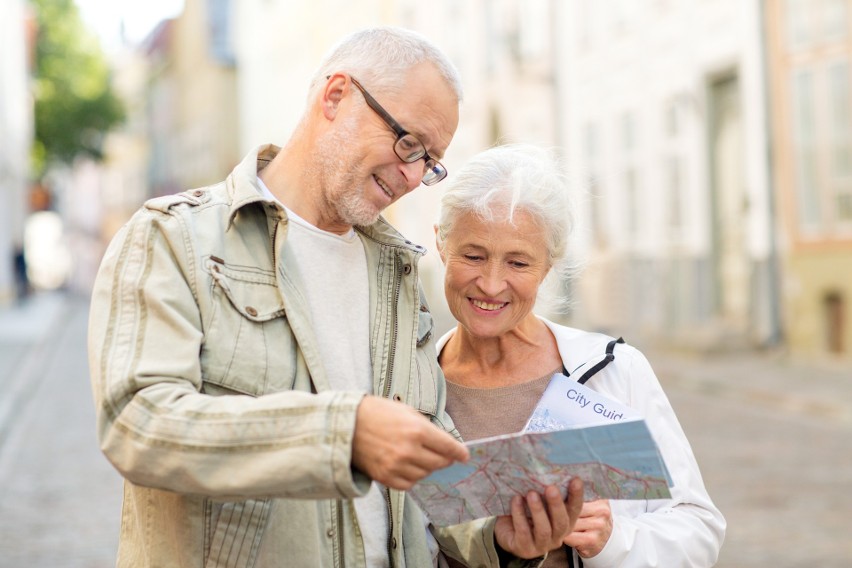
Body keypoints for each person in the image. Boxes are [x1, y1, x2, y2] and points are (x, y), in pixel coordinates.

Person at [88, 27, 582, 568]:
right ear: (336, 96)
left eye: (430, 161)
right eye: (408, 144)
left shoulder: (397, 272)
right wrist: (340, 434)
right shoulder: (176, 238)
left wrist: (501, 538)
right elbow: (139, 425)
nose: (413, 176)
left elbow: (429, 473)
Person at [432, 144, 726, 567]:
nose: (492, 284)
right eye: (474, 256)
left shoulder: (612, 370)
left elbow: (699, 528)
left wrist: (611, 540)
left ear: (548, 266)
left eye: (518, 263)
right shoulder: (414, 383)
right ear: (441, 244)